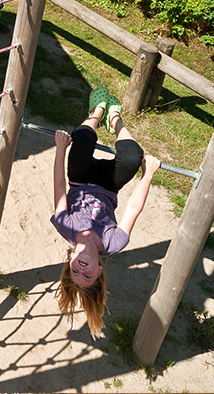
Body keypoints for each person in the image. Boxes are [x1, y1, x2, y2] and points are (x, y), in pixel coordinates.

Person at [50, 86, 161, 337]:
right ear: (99, 270)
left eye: (74, 270)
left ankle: (97, 111)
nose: (81, 268)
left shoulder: (65, 225)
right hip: (110, 186)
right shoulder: (114, 242)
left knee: (81, 140)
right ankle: (115, 119)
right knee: (133, 156)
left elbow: (59, 188)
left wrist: (60, 149)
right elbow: (133, 208)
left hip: (80, 178)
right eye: (86, 275)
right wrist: (148, 176)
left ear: (69, 261)